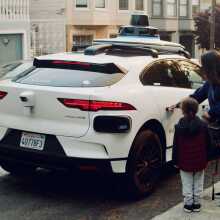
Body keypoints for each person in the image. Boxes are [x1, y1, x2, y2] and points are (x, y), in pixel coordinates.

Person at [172, 97, 211, 213]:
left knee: (187, 182)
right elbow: (208, 143)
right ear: (196, 109)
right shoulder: (203, 125)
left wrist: (175, 161)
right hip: (200, 160)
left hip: (184, 161)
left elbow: (176, 145)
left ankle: (188, 204)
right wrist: (208, 158)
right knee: (198, 181)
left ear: (183, 111)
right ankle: (197, 203)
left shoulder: (179, 126)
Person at [168, 50, 220, 122]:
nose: (202, 68)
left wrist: (211, 113)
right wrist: (179, 105)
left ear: (210, 67)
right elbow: (197, 96)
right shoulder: (210, 83)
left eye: (203, 66)